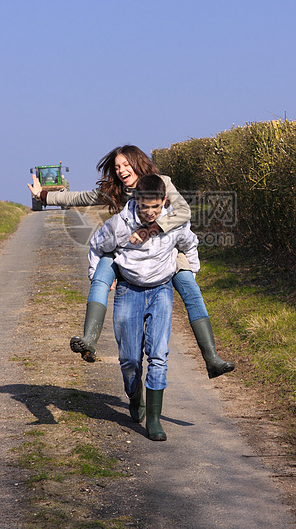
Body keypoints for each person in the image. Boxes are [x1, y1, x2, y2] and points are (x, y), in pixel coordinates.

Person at [27, 145, 234, 379]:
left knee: (191, 289)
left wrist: (153, 230)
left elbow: (184, 212)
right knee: (101, 273)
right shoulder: (115, 191)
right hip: (129, 252)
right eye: (117, 167)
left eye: (126, 165)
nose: (122, 170)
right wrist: (43, 195)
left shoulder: (161, 182)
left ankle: (212, 359)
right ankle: (89, 340)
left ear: (138, 163)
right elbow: (79, 197)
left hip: (167, 250)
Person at [89, 174, 200, 440]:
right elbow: (96, 246)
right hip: (129, 291)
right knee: (129, 359)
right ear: (135, 201)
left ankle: (153, 420)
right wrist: (99, 276)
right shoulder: (119, 225)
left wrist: (189, 275)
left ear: (164, 201)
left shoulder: (175, 224)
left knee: (158, 355)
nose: (150, 213)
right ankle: (134, 394)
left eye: (156, 207)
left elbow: (190, 246)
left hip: (161, 290)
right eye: (144, 207)